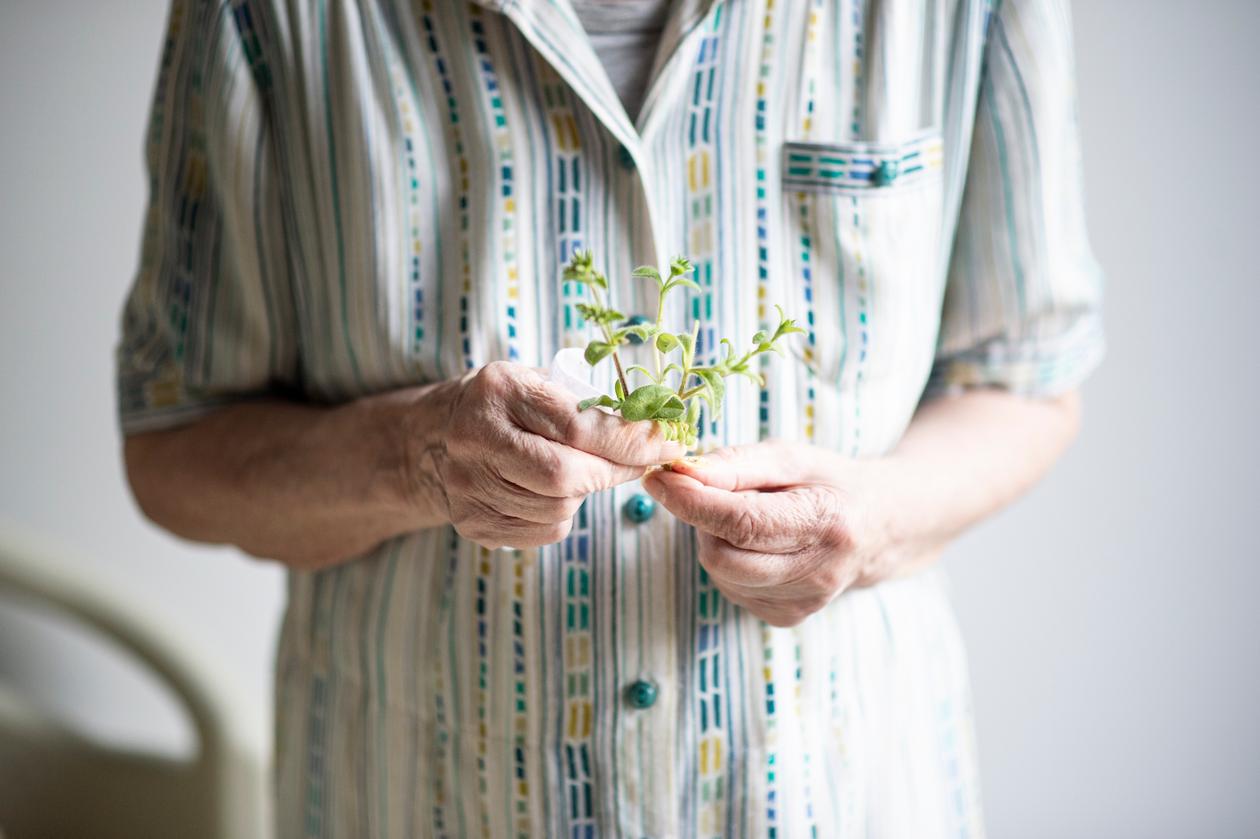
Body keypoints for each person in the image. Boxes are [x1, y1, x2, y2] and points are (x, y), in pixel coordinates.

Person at [116, 0, 1103, 835]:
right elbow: (174, 444)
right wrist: (417, 456)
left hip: (841, 791)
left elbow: (1025, 374)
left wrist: (875, 519)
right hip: (421, 796)